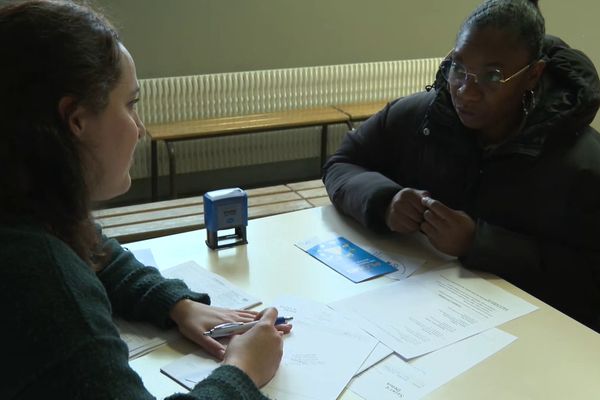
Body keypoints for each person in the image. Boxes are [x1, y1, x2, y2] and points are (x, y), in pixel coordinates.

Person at [0, 1, 291, 399]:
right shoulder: (42, 282)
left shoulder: (23, 207)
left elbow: (93, 248)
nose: (140, 129)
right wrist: (242, 370)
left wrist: (175, 304)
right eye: (130, 104)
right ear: (77, 120)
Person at [324, 0, 600, 332]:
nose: (466, 92)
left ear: (533, 75)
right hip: (419, 322)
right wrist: (384, 201)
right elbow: (342, 162)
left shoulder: (583, 163)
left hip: (537, 344)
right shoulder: (420, 117)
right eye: (458, 68)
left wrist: (480, 243)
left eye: (492, 76)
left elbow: (588, 279)